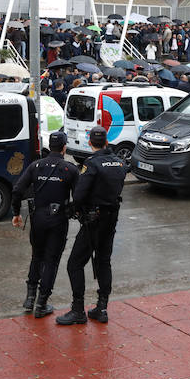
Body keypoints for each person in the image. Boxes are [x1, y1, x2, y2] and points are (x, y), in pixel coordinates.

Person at [56, 126, 126, 326]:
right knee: (104, 262)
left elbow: (78, 195)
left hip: (93, 221)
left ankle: (78, 310)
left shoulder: (92, 164)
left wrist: (75, 208)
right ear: (106, 141)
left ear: (90, 142)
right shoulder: (120, 163)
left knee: (74, 264)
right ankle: (102, 308)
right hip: (111, 219)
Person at [11, 132, 78, 318]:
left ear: (50, 146)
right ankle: (41, 304)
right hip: (58, 220)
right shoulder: (70, 169)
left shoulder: (35, 166)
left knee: (37, 257)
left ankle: (30, 298)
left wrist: (16, 213)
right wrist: (72, 211)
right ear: (64, 148)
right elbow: (79, 198)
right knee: (51, 261)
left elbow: (17, 190)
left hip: (38, 218)